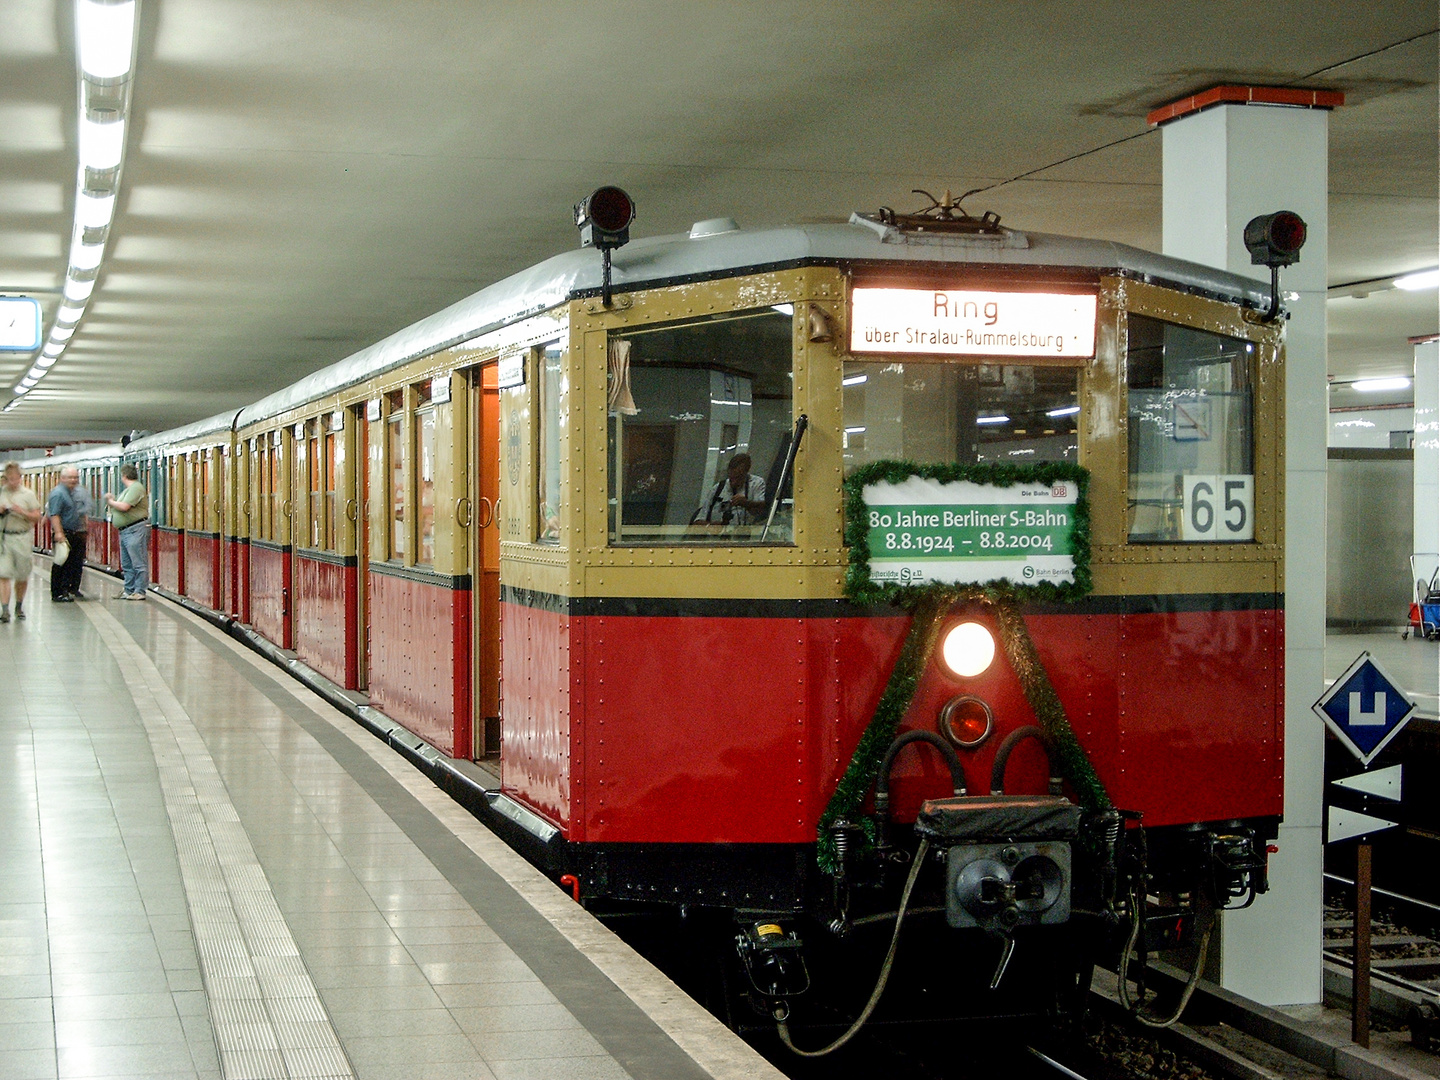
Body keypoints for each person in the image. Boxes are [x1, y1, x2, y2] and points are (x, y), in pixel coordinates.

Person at [0, 461, 44, 622]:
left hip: (22, 537)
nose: (12, 482)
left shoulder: (28, 494)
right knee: (3, 574)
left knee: (22, 574)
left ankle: (18, 605)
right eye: (9, 479)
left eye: (15, 478)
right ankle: (5, 610)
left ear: (20, 477)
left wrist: (22, 512)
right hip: (4, 538)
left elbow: (37, 516)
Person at [106, 464, 150, 599]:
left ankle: (139, 591)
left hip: (135, 529)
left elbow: (124, 506)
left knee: (138, 562)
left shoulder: (136, 488)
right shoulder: (129, 489)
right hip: (126, 531)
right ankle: (129, 590)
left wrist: (110, 501)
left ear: (123, 476)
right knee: (127, 563)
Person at [47, 466, 91, 602]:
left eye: (76, 477)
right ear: (62, 478)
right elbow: (54, 514)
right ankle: (57, 592)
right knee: (61, 563)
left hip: (74, 533)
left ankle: (66, 590)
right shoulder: (58, 493)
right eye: (70, 477)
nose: (73, 480)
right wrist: (59, 532)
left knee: (71, 563)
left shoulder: (72, 493)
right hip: (64, 533)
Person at [694, 452, 767, 526]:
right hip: (717, 536)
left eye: (738, 478)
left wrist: (746, 503)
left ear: (746, 473)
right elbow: (698, 521)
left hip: (745, 534)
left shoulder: (756, 484)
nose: (734, 483)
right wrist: (711, 526)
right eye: (731, 478)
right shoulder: (718, 489)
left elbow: (761, 508)